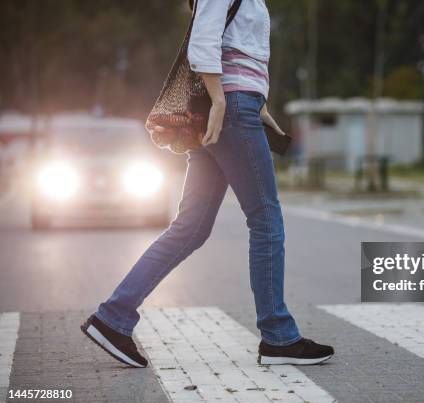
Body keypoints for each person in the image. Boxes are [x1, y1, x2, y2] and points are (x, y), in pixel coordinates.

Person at [80, 0, 333, 368]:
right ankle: (278, 336)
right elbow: (202, 41)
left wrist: (259, 107)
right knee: (265, 220)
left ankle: (112, 318)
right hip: (228, 109)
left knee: (190, 228)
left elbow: (239, 54)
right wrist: (222, 101)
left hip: (234, 107)